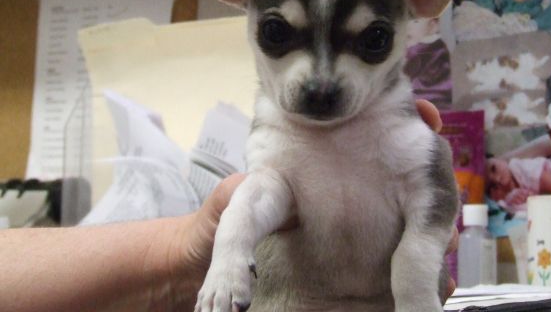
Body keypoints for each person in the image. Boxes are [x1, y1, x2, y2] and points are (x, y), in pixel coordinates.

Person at [0, 100, 456, 312]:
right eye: (278, 34)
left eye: (372, 40)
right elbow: (261, 195)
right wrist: (222, 254)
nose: (321, 78)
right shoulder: (275, 129)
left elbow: (434, 198)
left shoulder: (402, 128)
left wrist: (415, 283)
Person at [485, 153, 551, 215]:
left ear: (499, 159)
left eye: (494, 169)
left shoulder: (521, 168)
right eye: (492, 186)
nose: (497, 179)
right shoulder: (504, 201)